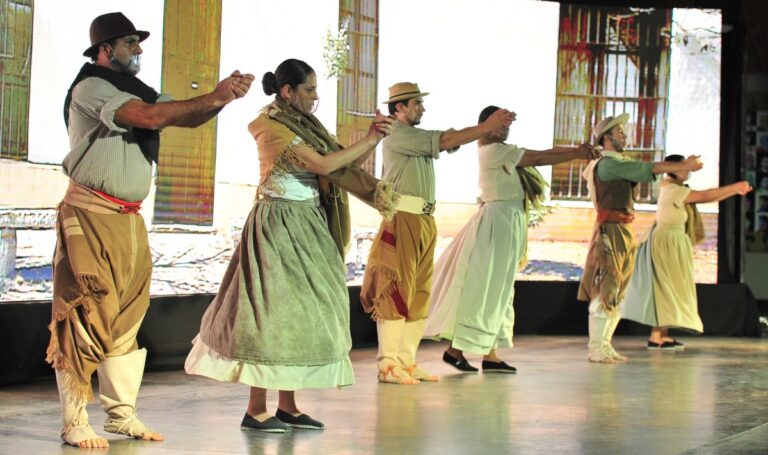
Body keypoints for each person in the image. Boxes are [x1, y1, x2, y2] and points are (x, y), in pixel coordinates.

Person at [45, 12, 254, 448]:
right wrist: (213, 95)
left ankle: (121, 415)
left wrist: (222, 99)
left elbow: (181, 117)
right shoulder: (91, 87)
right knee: (86, 314)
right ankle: (74, 419)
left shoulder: (136, 90)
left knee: (126, 318)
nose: (138, 49)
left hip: (128, 220)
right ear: (105, 50)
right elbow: (149, 117)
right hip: (90, 216)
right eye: (129, 43)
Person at [185, 59, 398, 432]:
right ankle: (256, 409)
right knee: (272, 316)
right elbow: (325, 165)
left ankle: (288, 405)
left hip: (307, 223)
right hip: (279, 226)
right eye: (309, 89)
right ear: (288, 91)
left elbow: (341, 167)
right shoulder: (272, 126)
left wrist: (372, 139)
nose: (315, 97)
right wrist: (370, 139)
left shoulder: (303, 124)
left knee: (300, 316)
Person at [426, 105, 600, 373]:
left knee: (498, 289)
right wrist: (576, 153)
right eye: (500, 124)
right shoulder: (494, 151)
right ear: (486, 126)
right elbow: (538, 157)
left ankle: (481, 353)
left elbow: (541, 153)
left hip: (506, 221)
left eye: (507, 125)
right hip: (498, 223)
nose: (505, 129)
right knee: (490, 288)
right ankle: (467, 350)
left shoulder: (501, 151)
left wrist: (576, 151)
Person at [360, 83, 514, 384]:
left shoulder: (413, 136)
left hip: (423, 220)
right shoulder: (397, 133)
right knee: (396, 289)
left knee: (419, 293)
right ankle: (388, 364)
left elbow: (449, 140)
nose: (422, 108)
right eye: (417, 103)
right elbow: (446, 140)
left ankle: (406, 361)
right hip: (403, 218)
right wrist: (487, 126)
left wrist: (484, 127)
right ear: (400, 107)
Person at [577, 113, 703, 364]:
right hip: (610, 229)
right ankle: (596, 348)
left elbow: (643, 169)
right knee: (607, 289)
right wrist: (682, 166)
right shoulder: (607, 164)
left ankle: (604, 345)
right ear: (607, 138)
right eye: (620, 132)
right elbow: (647, 169)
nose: (625, 135)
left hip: (622, 229)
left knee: (618, 291)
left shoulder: (617, 162)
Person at [621, 155, 752, 349]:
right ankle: (656, 336)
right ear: (673, 170)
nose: (687, 171)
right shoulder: (673, 190)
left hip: (672, 241)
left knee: (669, 287)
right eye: (683, 167)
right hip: (667, 243)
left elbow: (707, 197)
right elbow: (704, 196)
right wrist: (733, 188)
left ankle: (660, 334)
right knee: (666, 288)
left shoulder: (674, 188)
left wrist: (734, 191)